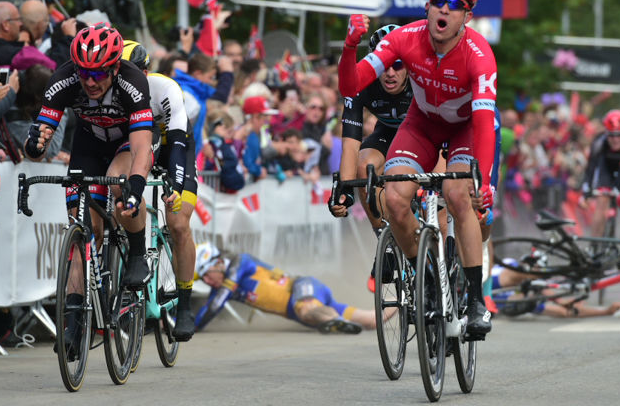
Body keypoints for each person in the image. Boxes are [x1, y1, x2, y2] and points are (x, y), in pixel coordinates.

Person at [336, 0, 497, 338]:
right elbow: (352, 85)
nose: (445, 10)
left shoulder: (479, 55)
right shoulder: (404, 38)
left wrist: (483, 180)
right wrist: (349, 48)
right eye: (438, 2)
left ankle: (475, 300)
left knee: (458, 195)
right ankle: (424, 279)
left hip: (465, 128)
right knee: (393, 200)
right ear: (427, 7)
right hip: (421, 124)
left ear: (466, 17)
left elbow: (485, 123)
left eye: (455, 5)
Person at [23, 24, 154, 359]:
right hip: (87, 145)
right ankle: (74, 322)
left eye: (98, 74)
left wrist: (136, 186)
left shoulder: (132, 80)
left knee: (118, 183)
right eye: (84, 74)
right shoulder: (64, 79)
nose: (91, 82)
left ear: (113, 67)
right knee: (80, 223)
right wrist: (35, 145)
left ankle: (136, 251)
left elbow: (142, 148)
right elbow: (42, 134)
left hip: (125, 145)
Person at [121, 40, 198, 341]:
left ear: (146, 71)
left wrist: (176, 187)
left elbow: (178, 144)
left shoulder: (164, 89)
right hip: (138, 146)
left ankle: (186, 305)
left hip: (174, 148)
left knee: (178, 223)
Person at [329, 24, 411, 241]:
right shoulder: (361, 81)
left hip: (426, 134)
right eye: (384, 65)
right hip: (387, 131)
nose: (390, 73)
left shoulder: (423, 78)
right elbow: (350, 143)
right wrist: (345, 189)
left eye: (398, 65)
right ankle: (387, 241)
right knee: (364, 167)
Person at [192, 243, 376, 334]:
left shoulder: (240, 262)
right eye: (202, 279)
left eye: (206, 274)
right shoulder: (221, 290)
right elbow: (201, 319)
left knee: (305, 310)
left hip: (302, 288)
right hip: (305, 308)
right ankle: (403, 302)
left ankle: (336, 321)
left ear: (217, 262)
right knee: (372, 320)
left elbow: (215, 305)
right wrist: (167, 324)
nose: (207, 281)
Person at [489, 263, 620, 318]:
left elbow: (565, 312)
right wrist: (562, 301)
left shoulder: (527, 299)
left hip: (511, 287)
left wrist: (606, 312)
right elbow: (563, 310)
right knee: (513, 278)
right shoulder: (510, 280)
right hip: (495, 282)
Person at [579, 109, 620, 236]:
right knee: (601, 202)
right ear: (606, 133)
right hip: (607, 170)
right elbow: (591, 169)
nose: (615, 139)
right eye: (611, 135)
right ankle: (594, 246)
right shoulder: (599, 142)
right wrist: (586, 192)